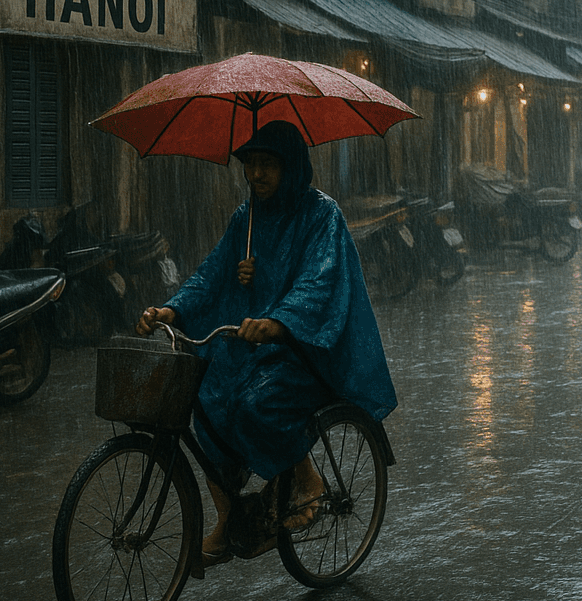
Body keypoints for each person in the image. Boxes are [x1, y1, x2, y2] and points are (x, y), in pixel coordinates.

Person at [136, 120, 397, 565]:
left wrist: (279, 321)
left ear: (291, 168)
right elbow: (212, 272)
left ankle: (306, 477)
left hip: (306, 346)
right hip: (254, 345)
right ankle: (230, 514)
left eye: (267, 165)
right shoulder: (247, 217)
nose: (256, 175)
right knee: (204, 394)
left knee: (257, 404)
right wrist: (173, 309)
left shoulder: (323, 215)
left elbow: (318, 282)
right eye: (250, 165)